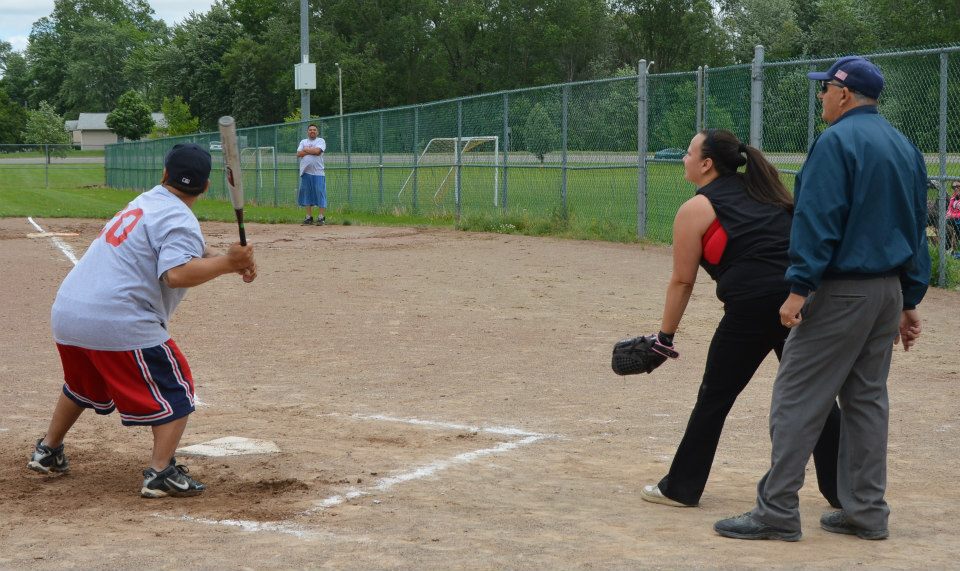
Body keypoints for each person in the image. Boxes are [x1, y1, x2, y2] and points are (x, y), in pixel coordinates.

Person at [714, 55, 929, 541]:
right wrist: (909, 298)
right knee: (867, 400)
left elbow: (818, 221)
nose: (821, 96)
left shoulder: (835, 143)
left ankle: (775, 511)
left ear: (845, 94)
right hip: (887, 292)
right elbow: (917, 227)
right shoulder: (902, 144)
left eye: (825, 89)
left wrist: (798, 288)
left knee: (796, 397)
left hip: (841, 290)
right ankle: (866, 511)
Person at [27, 143, 257, 498]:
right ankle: (160, 472)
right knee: (177, 391)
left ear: (164, 175)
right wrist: (228, 263)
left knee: (82, 385)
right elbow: (176, 274)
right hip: (117, 319)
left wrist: (228, 260)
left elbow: (184, 248)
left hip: (69, 313)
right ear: (206, 187)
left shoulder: (147, 201)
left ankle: (48, 450)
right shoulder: (180, 218)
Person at [638, 129, 841, 510]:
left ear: (707, 164)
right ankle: (845, 490)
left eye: (688, 152)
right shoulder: (767, 192)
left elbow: (682, 281)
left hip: (750, 309)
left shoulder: (696, 208)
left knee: (714, 398)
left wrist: (665, 336)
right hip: (798, 302)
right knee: (816, 397)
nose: (684, 158)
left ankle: (681, 488)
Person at [297, 123, 327, 226]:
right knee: (307, 194)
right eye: (310, 130)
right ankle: (309, 217)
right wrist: (311, 151)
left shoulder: (320, 141)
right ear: (307, 132)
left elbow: (318, 151)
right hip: (306, 172)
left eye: (314, 130)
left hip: (318, 173)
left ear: (317, 132)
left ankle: (321, 217)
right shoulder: (303, 141)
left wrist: (305, 149)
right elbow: (298, 154)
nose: (312, 131)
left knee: (320, 192)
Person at [947, 181, 960, 253]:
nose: (956, 188)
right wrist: (948, 215)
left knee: (949, 222)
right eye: (954, 187)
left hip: (957, 219)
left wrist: (952, 216)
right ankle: (945, 248)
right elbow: (949, 209)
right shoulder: (953, 198)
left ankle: (950, 248)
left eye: (958, 186)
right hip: (953, 219)